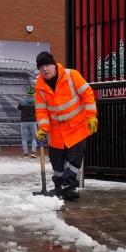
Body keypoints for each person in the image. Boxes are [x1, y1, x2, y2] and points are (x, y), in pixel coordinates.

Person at [34, 51, 98, 201]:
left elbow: (87, 94)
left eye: (47, 65)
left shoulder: (71, 75)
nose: (45, 69)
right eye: (41, 67)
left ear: (54, 65)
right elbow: (41, 110)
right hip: (56, 131)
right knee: (57, 162)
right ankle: (59, 187)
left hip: (77, 127)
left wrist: (91, 116)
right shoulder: (39, 87)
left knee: (74, 159)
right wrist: (43, 128)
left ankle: (68, 187)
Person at [18, 86, 38, 158]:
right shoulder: (36, 101)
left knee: (24, 138)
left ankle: (25, 154)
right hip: (33, 121)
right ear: (33, 94)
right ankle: (33, 152)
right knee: (34, 137)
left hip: (24, 121)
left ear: (27, 93)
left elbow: (19, 108)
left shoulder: (22, 101)